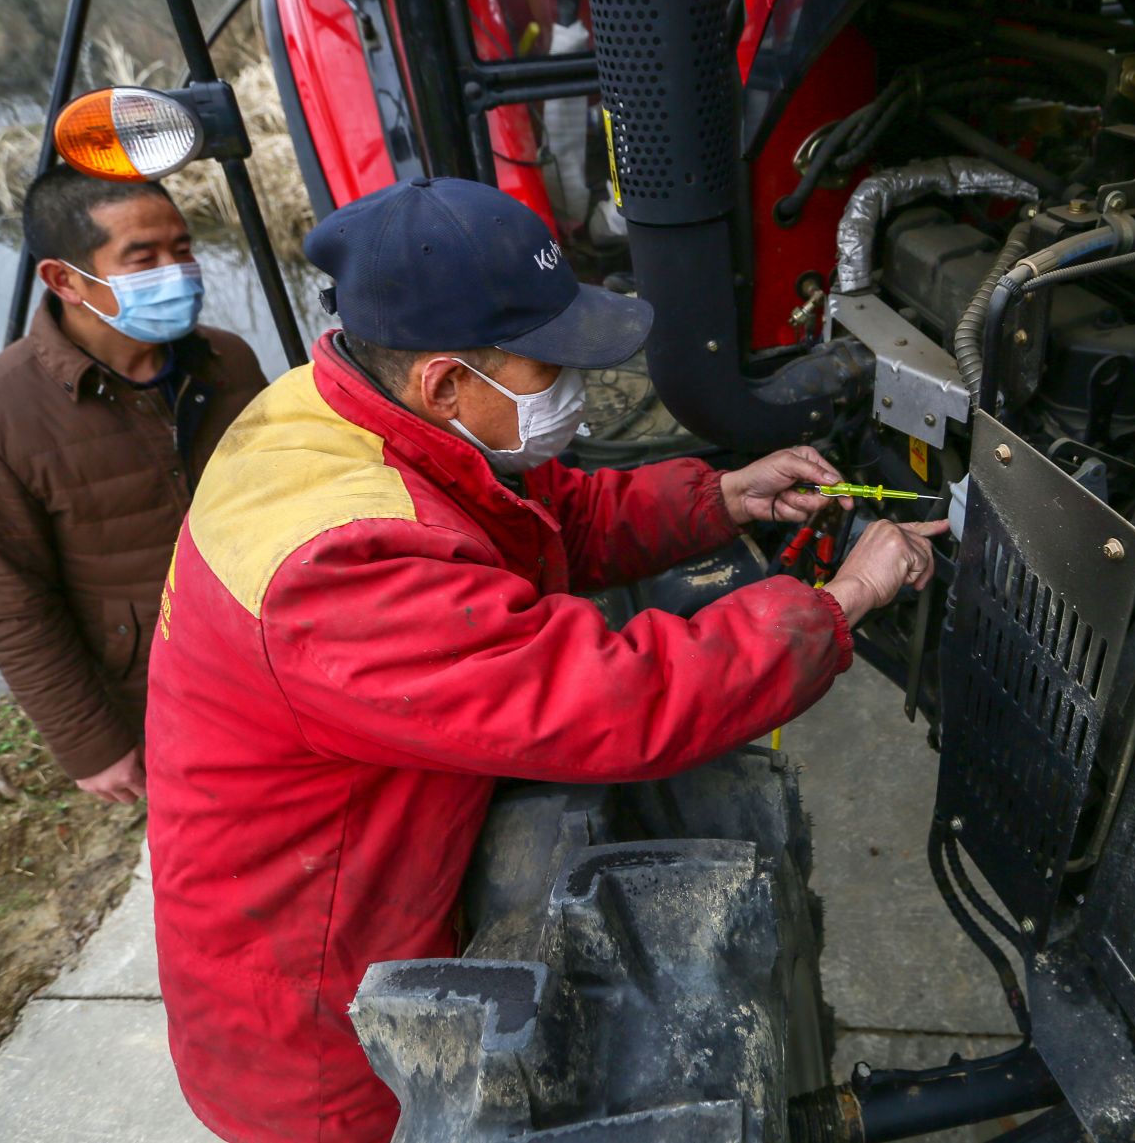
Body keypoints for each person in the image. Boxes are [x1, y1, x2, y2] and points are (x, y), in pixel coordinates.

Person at [146, 177, 942, 1142]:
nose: (573, 385)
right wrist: (841, 599)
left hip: (378, 887)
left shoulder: (338, 414)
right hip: (323, 1008)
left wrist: (718, 499)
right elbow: (616, 702)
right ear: (444, 381)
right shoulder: (343, 563)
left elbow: (536, 519)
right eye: (547, 363)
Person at [0, 167, 266, 803]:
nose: (178, 271)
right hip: (163, 690)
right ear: (64, 279)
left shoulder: (225, 360)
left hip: (280, 646)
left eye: (183, 249)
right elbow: (11, 602)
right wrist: (92, 745)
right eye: (144, 258)